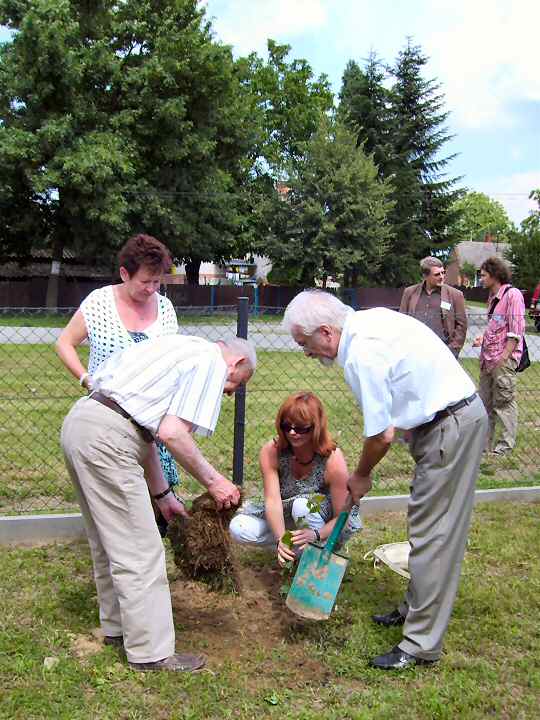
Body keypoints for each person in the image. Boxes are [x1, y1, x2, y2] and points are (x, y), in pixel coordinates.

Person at [283, 290, 487, 670]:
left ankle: (420, 644)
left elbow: (380, 436)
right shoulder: (367, 324)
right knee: (424, 526)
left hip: (451, 427)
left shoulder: (361, 353)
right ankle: (413, 609)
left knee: (434, 536)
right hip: (439, 425)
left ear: (325, 332)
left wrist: (360, 477)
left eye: (305, 344)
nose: (306, 353)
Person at [60, 334, 256, 672]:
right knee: (141, 548)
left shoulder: (182, 348)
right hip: (109, 437)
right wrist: (216, 482)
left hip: (84, 423)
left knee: (108, 541)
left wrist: (163, 496)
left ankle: (118, 628)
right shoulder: (209, 361)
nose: (231, 392)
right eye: (238, 384)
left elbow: (145, 428)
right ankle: (150, 652)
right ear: (236, 363)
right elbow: (172, 432)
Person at [56, 234, 181, 531]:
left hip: (151, 419)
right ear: (125, 273)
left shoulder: (164, 309)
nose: (152, 289)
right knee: (119, 502)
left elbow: (173, 359)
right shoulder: (99, 303)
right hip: (110, 421)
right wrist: (87, 379)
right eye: (145, 282)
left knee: (159, 496)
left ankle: (155, 549)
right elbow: (64, 343)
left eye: (157, 282)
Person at [229, 392, 362, 564]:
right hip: (287, 514)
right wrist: (280, 539)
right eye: (286, 426)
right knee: (239, 527)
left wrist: (316, 534)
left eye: (301, 428)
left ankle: (316, 557)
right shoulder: (272, 451)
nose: (292, 433)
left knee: (302, 506)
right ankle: (291, 553)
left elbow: (342, 516)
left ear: (316, 427)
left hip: (324, 525)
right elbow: (272, 500)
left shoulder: (332, 459)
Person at [472, 256, 525, 455]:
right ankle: (484, 446)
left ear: (495, 275)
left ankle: (505, 446)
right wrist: (482, 339)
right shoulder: (492, 299)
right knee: (485, 403)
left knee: (504, 402)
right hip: (487, 360)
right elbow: (496, 327)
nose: (481, 279)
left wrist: (505, 357)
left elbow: (515, 331)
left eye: (484, 275)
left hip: (502, 360)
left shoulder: (513, 296)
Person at [399, 256, 467, 357]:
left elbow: (462, 325)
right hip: (414, 350)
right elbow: (401, 320)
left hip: (442, 350)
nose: (442, 277)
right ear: (425, 276)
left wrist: (453, 350)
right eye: (437, 274)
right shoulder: (410, 292)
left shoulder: (455, 295)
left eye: (443, 272)